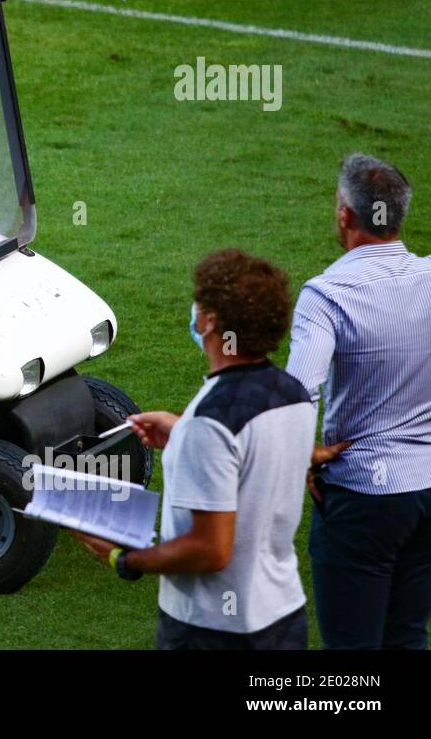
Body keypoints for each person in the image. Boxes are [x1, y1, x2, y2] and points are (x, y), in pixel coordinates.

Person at [75, 249, 315, 649]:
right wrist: (183, 434)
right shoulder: (293, 396)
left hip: (213, 631)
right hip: (284, 616)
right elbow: (255, 463)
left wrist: (124, 560)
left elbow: (210, 550)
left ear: (210, 321)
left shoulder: (210, 421)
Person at [286, 152, 431, 650]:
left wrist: (301, 455)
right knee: (408, 636)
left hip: (363, 495)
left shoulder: (327, 295)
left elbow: (301, 389)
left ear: (345, 215)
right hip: (428, 487)